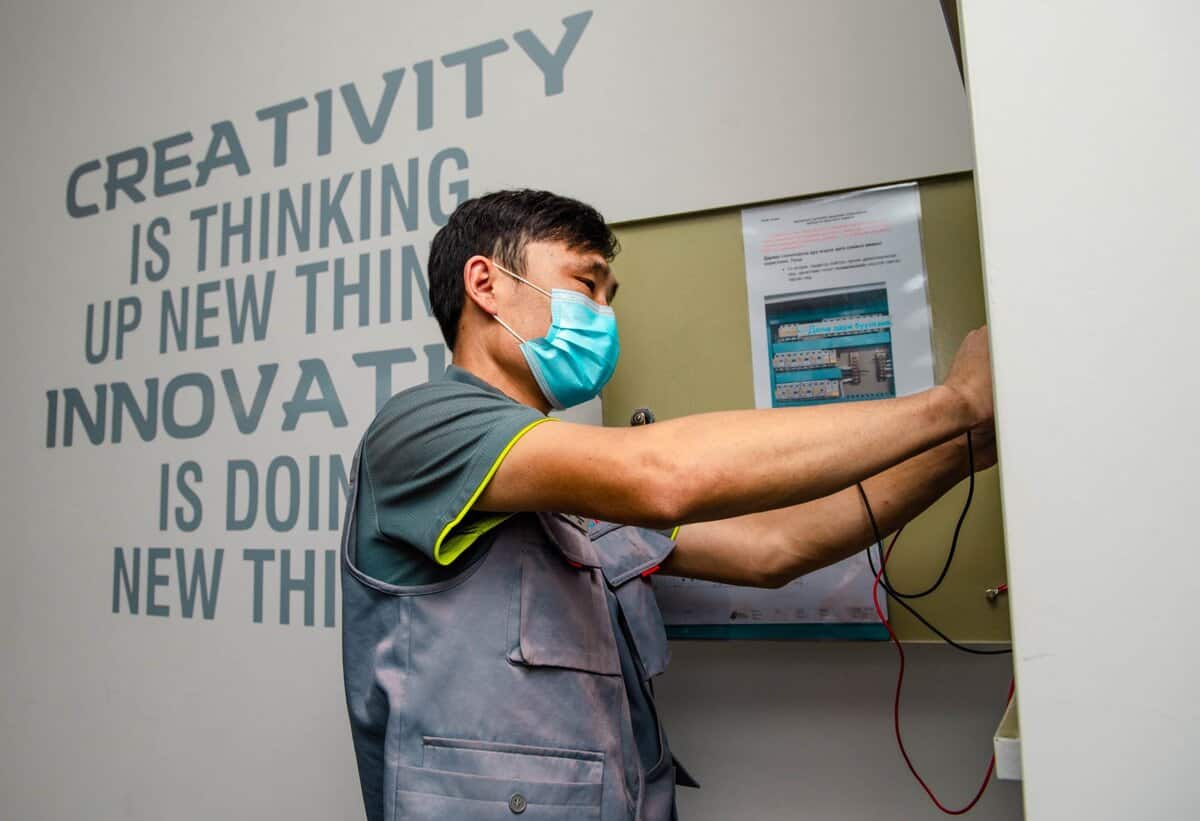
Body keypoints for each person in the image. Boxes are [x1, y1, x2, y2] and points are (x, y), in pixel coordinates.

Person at [339, 189, 995, 821]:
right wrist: (953, 401)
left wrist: (961, 447)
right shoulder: (420, 429)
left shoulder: (569, 479)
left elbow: (774, 547)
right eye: (586, 283)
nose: (604, 313)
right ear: (485, 284)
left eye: (609, 296)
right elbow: (665, 474)